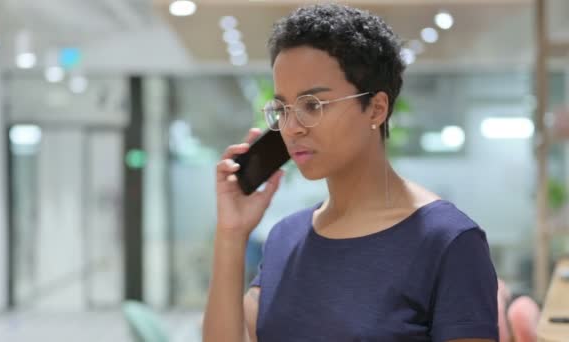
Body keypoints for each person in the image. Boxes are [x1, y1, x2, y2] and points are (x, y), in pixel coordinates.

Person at [203, 4, 498, 342]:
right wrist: (231, 234)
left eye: (312, 105)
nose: (291, 127)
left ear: (376, 108)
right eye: (283, 109)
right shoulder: (287, 236)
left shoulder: (448, 240)